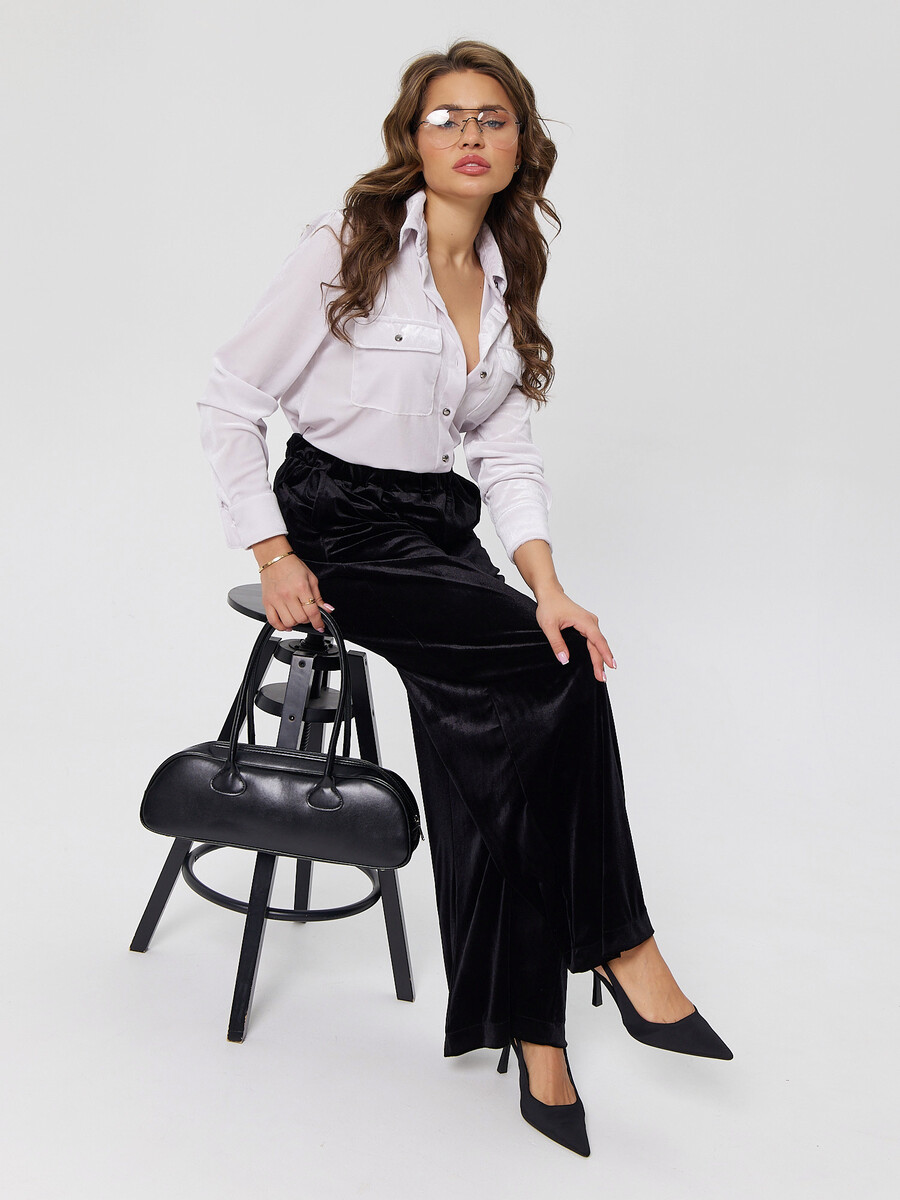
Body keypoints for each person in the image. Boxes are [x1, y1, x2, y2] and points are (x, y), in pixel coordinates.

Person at [197, 39, 732, 1156]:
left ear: (521, 144)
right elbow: (229, 398)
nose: (472, 135)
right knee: (549, 685)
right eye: (449, 118)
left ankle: (536, 1036)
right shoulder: (346, 246)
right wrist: (274, 550)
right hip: (339, 525)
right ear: (414, 137)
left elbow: (504, 449)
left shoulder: (506, 266)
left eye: (494, 118)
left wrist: (549, 586)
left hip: (438, 529)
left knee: (542, 683)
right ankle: (621, 946)